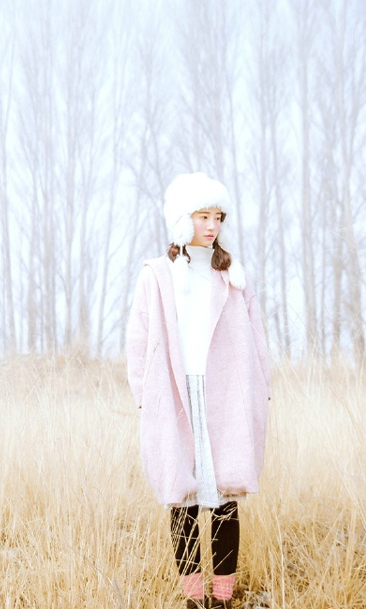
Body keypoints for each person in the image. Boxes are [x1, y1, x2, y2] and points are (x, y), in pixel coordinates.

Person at [126, 172, 271, 609]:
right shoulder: (157, 275)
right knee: (183, 498)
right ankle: (194, 599)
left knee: (226, 497)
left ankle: (222, 599)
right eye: (202, 216)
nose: (211, 226)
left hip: (225, 396)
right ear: (181, 220)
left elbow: (258, 339)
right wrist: (145, 397)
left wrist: (261, 389)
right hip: (175, 396)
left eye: (217, 217)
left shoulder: (234, 277)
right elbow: (138, 339)